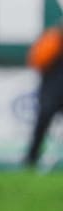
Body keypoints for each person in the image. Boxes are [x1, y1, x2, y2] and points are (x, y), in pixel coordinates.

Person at [25, 19, 63, 168]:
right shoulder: (53, 39)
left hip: (51, 91)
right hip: (52, 92)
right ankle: (31, 158)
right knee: (42, 124)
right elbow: (37, 60)